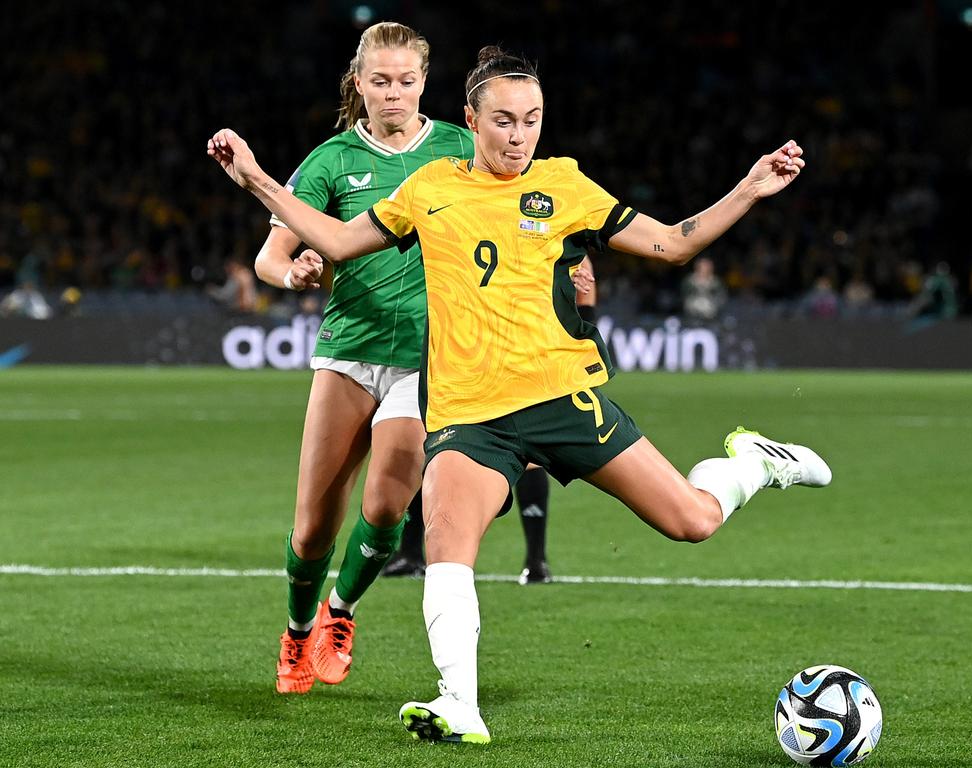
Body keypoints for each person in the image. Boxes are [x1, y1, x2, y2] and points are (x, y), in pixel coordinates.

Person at [208, 45, 832, 743]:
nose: (518, 136)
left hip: (563, 397)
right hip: (470, 416)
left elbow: (671, 245)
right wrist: (257, 178)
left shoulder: (564, 184)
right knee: (448, 543)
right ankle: (459, 705)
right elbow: (333, 239)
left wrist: (748, 189)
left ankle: (753, 461)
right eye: (504, 120)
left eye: (532, 120)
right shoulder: (429, 188)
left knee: (691, 520)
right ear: (471, 119)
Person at [254, 22, 478, 696]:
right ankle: (297, 634)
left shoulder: (460, 149)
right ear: (360, 83)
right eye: (380, 81)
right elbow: (270, 258)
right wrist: (295, 275)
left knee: (386, 505)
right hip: (349, 351)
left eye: (406, 80)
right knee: (314, 524)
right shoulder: (328, 161)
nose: (394, 93)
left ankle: (341, 612)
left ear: (424, 82)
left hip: (425, 358)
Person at [382, 256, 598, 585]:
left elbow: (584, 278)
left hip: (522, 346)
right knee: (434, 439)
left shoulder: (541, 217)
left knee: (523, 447)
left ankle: (535, 559)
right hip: (466, 345)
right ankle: (412, 551)